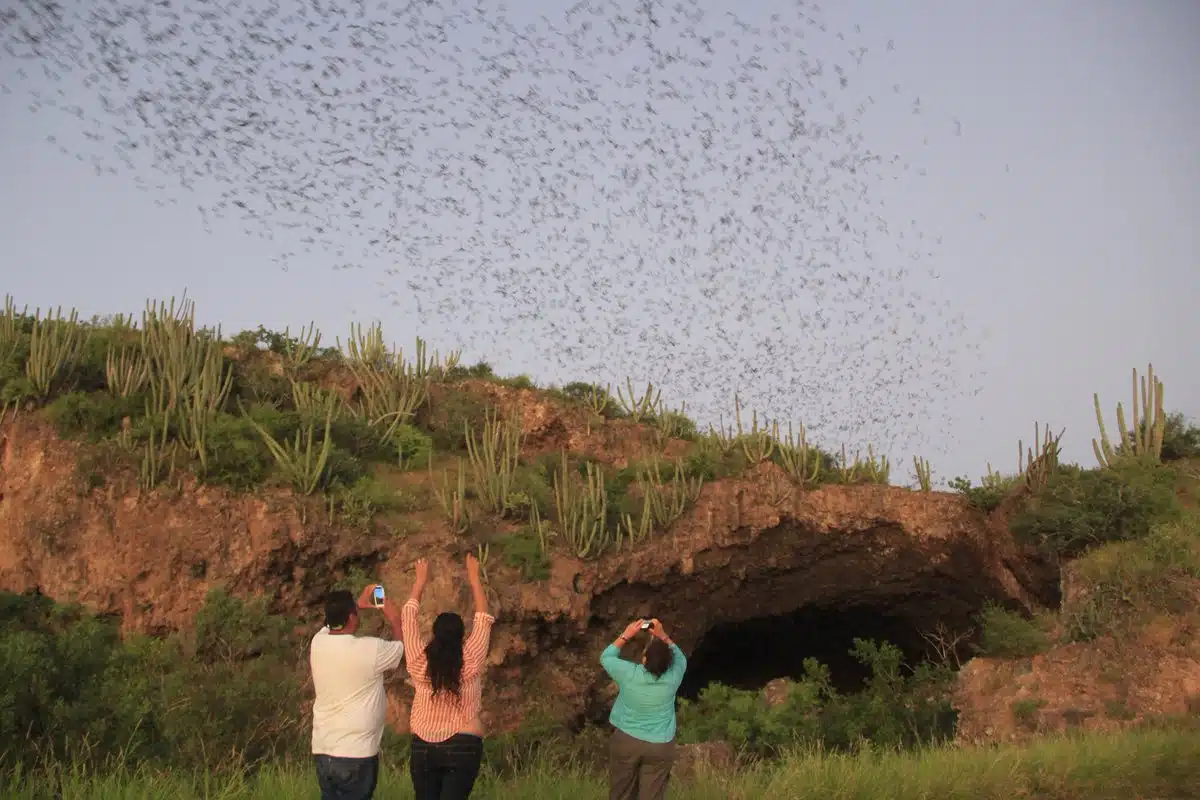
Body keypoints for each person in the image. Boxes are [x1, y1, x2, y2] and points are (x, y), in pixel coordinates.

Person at [401, 553, 496, 800]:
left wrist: (420, 582)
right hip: (463, 743)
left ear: (434, 633)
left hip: (423, 743)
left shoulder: (419, 661)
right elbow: (484, 619)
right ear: (463, 634)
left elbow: (408, 620)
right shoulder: (471, 656)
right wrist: (474, 577)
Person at [310, 583, 406, 800]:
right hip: (356, 754)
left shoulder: (318, 642)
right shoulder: (370, 649)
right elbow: (401, 649)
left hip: (323, 749)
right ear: (352, 617)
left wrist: (357, 606)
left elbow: (331, 624)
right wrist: (394, 619)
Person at [600, 617, 688, 800]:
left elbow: (606, 657)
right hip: (660, 745)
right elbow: (680, 658)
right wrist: (662, 635)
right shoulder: (673, 677)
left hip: (627, 741)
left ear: (644, 659)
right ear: (668, 665)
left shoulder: (629, 674)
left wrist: (627, 634)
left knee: (621, 793)